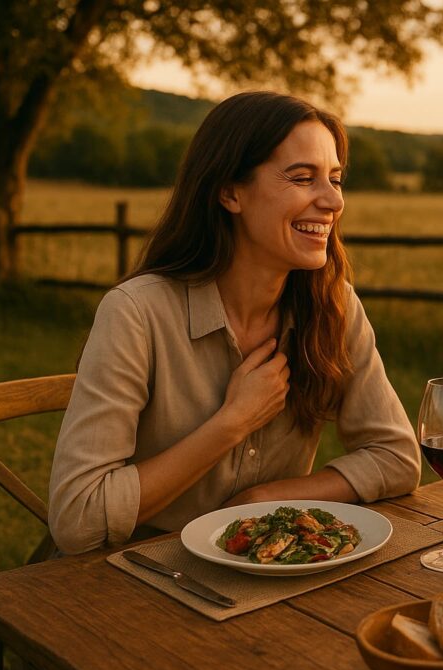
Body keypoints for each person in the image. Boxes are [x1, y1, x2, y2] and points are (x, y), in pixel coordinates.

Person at [49, 92, 421, 554]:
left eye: (336, 179)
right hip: (134, 573)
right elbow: (78, 517)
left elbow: (397, 457)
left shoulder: (333, 305)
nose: (331, 201)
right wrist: (231, 424)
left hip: (267, 570)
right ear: (230, 192)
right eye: (303, 178)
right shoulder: (136, 313)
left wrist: (265, 498)